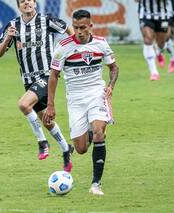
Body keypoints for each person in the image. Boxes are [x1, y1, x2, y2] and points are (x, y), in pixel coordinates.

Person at [43, 9, 119, 195]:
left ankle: (96, 184)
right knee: (81, 148)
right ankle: (92, 132)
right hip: (75, 100)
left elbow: (114, 68)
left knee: (99, 131)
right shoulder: (63, 46)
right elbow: (53, 76)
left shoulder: (101, 44)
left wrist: (110, 85)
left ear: (90, 26)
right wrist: (51, 105)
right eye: (76, 27)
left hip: (96, 94)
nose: (79, 31)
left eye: (83, 27)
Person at [0, 0, 74, 172]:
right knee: (46, 120)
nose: (26, 3)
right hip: (28, 81)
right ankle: (66, 149)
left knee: (23, 104)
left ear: (35, 3)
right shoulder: (13, 26)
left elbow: (68, 28)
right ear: (19, 6)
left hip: (47, 75)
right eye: (22, 1)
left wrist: (73, 49)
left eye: (29, 0)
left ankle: (42, 142)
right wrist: (9, 37)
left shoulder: (46, 21)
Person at [136, 0, 170, 81]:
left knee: (161, 43)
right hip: (145, 14)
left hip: (161, 14)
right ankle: (154, 72)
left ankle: (159, 52)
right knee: (148, 39)